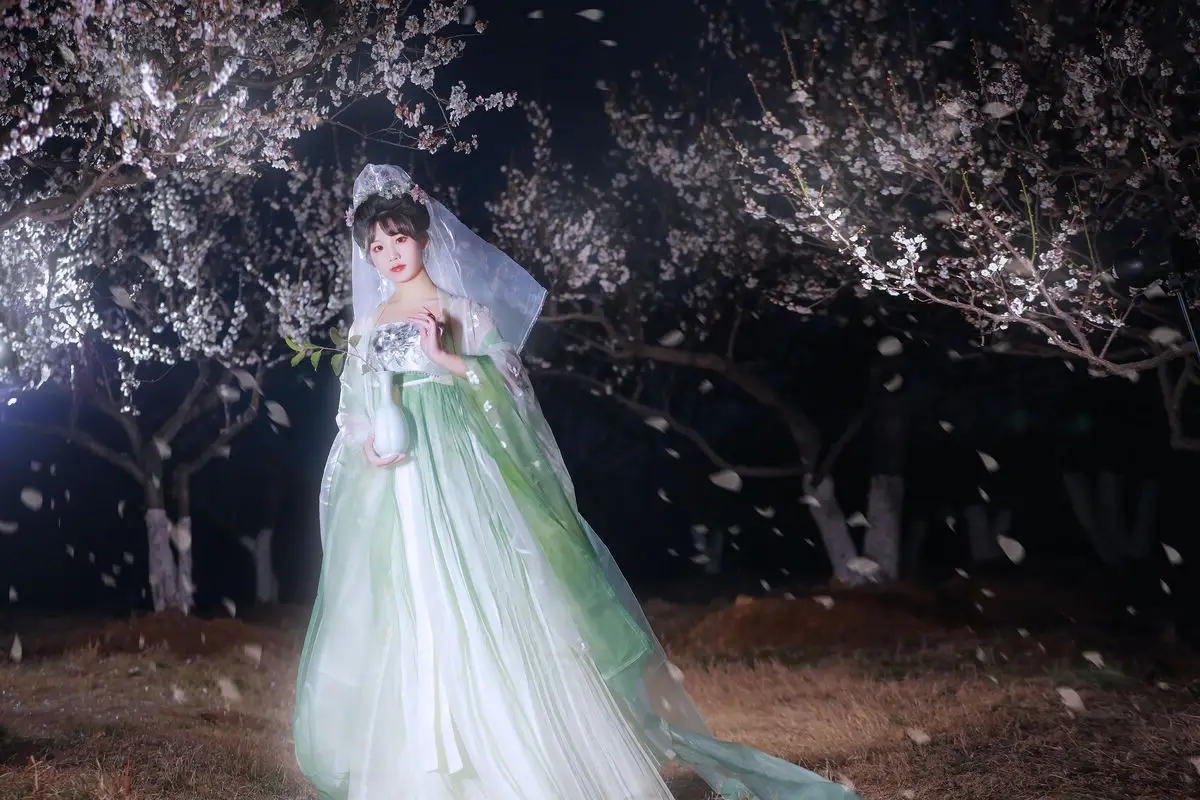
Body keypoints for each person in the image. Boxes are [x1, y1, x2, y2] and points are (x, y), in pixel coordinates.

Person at [292, 164, 858, 800]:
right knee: (411, 602)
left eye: (400, 238)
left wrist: (449, 361)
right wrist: (370, 439)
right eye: (377, 246)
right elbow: (353, 409)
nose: (391, 254)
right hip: (402, 488)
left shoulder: (461, 311)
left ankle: (515, 753)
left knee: (489, 599)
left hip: (467, 479)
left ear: (424, 237)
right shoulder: (367, 326)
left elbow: (514, 394)